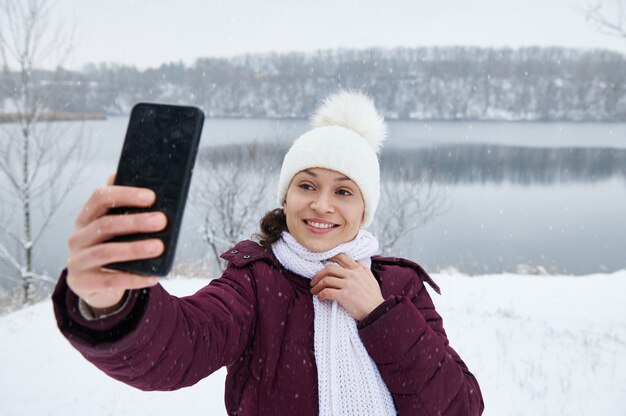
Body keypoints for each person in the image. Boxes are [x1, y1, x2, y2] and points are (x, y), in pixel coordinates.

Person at [53, 90, 484, 415]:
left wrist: (378, 313)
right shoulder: (256, 281)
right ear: (286, 195)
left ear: (364, 207)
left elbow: (460, 405)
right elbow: (181, 348)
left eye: (344, 191)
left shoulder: (398, 287)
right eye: (307, 185)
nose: (321, 205)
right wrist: (111, 302)